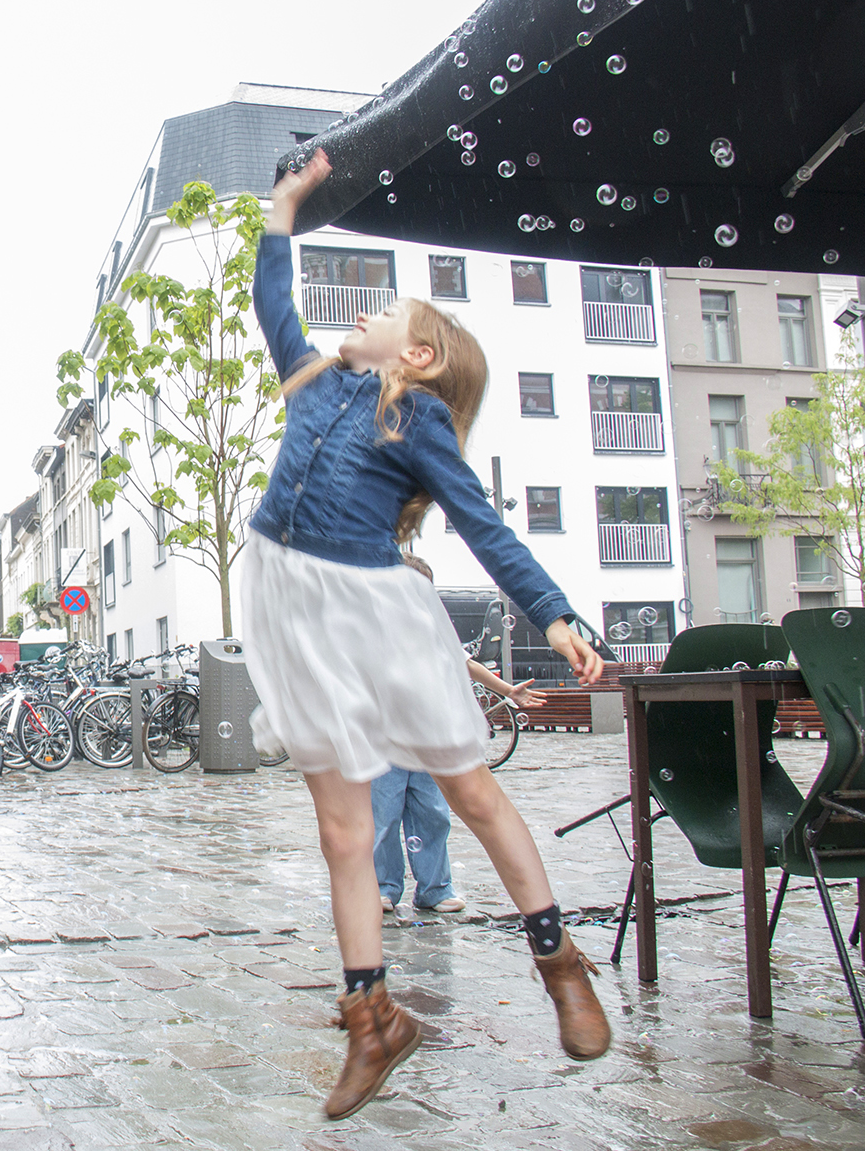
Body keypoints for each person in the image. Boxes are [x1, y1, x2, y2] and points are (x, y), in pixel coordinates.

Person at [242, 149, 610, 1121]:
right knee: (342, 830)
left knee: (470, 790)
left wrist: (553, 613)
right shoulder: (312, 380)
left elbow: (484, 527)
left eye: (386, 311)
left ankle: (558, 960)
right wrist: (282, 208)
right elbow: (272, 302)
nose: (363, 313)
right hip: (292, 611)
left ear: (417, 357)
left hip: (375, 614)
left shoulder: (418, 419)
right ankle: (371, 1018)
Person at [376, 557, 548, 917]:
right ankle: (382, 888)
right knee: (382, 816)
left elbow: (465, 664)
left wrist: (508, 691)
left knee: (433, 815)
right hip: (384, 740)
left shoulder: (433, 630)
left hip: (431, 741)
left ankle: (435, 889)